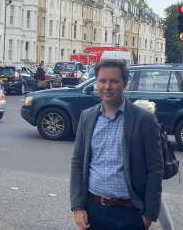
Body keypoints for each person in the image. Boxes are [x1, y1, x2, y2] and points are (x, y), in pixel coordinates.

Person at [70, 59, 163, 230]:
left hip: (129, 213)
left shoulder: (145, 119)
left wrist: (148, 216)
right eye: (102, 81)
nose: (107, 86)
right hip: (93, 211)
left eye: (114, 81)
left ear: (125, 83)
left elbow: (155, 170)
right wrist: (78, 206)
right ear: (96, 82)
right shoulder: (87, 117)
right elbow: (78, 164)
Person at [133, 100, 174, 230]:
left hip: (144, 174)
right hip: (145, 174)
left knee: (155, 199)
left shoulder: (147, 129)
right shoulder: (151, 126)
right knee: (156, 199)